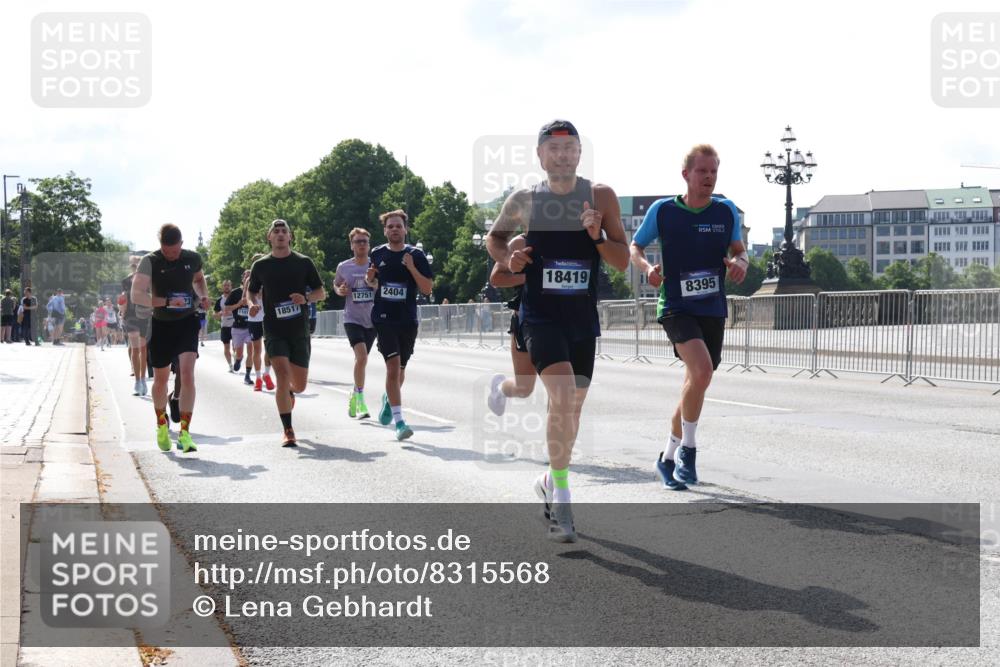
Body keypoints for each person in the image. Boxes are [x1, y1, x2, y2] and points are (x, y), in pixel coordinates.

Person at [486, 120, 629, 543]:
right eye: (554, 148)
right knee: (562, 394)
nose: (562, 155)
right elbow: (494, 241)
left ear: (580, 154)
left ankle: (549, 480)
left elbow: (621, 260)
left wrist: (597, 235)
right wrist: (509, 259)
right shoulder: (525, 200)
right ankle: (563, 496)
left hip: (581, 320)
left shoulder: (600, 196)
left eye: (570, 149)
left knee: (571, 409)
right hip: (539, 316)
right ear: (540, 155)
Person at [629, 144, 747, 490]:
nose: (709, 177)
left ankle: (667, 457)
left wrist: (740, 263)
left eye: (713, 171)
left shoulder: (725, 212)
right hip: (676, 306)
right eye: (702, 171)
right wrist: (647, 268)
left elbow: (739, 251)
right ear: (686, 175)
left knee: (696, 382)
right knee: (702, 371)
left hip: (712, 306)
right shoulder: (664, 211)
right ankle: (689, 453)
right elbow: (635, 247)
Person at [130, 223, 209, 453]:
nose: (171, 256)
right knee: (161, 380)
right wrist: (165, 302)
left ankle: (185, 432)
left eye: (174, 251)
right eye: (166, 251)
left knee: (187, 375)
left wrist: (203, 296)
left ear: (181, 245)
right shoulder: (150, 261)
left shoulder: (192, 258)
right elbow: (137, 295)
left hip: (187, 322)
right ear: (161, 246)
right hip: (162, 324)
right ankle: (161, 424)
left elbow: (199, 279)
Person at [247, 220, 325, 447]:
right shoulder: (261, 266)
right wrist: (253, 303)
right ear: (269, 237)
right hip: (273, 329)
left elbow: (321, 292)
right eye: (276, 232)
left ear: (290, 237)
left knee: (299, 386)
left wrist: (306, 298)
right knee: (281, 374)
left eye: (284, 232)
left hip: (298, 330)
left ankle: (289, 392)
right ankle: (288, 430)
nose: (280, 235)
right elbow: (251, 292)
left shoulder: (303, 262)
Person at [366, 209, 433, 441]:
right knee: (393, 368)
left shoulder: (417, 254)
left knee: (400, 371)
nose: (394, 229)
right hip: (384, 318)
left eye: (398, 226)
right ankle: (400, 422)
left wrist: (412, 267)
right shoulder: (377, 253)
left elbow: (427, 289)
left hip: (407, 320)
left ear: (405, 229)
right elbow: (371, 281)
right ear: (385, 231)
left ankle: (388, 400)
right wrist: (370, 277)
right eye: (390, 226)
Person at [486, 235, 536, 415]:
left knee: (560, 387)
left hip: (562, 321)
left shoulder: (572, 241)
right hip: (527, 320)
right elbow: (496, 278)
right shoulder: (521, 242)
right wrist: (531, 277)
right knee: (524, 388)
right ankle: (500, 388)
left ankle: (556, 442)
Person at [333, 227, 377, 419]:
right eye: (358, 241)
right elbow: (336, 285)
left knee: (362, 360)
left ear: (369, 245)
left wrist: (374, 283)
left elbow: (381, 286)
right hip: (352, 318)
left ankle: (354, 393)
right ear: (351, 245)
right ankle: (360, 400)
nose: (361, 244)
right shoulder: (344, 267)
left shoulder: (375, 265)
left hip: (372, 319)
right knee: (362, 358)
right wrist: (340, 290)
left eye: (364, 242)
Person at [121, 255, 151, 396]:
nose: (136, 267)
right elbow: (124, 299)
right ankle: (137, 381)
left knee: (143, 349)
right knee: (134, 348)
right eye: (133, 265)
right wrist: (122, 311)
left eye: (138, 265)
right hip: (131, 317)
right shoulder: (126, 281)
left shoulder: (148, 281)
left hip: (144, 315)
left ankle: (143, 380)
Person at [243, 258, 268, 389]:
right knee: (257, 349)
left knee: (270, 348)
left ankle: (267, 374)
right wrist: (252, 304)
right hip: (254, 318)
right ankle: (258, 378)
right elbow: (245, 298)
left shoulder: (269, 277)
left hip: (268, 317)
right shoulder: (249, 280)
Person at [213, 280, 235, 371]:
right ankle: (230, 365)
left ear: (231, 286)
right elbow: (215, 315)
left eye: (228, 285)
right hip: (225, 326)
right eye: (225, 285)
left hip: (236, 325)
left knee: (236, 346)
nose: (226, 287)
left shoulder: (235, 297)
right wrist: (221, 313)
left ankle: (237, 360)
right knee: (226, 347)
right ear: (222, 287)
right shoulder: (219, 300)